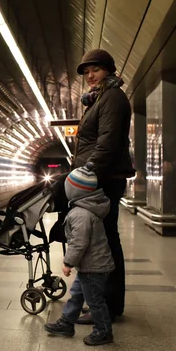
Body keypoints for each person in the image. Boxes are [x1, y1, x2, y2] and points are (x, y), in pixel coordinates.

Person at [70, 49, 136, 324]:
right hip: (101, 177)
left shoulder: (112, 98)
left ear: (109, 70)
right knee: (105, 239)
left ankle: (108, 305)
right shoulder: (99, 99)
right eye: (86, 72)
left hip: (104, 178)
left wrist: (86, 172)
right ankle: (106, 302)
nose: (90, 76)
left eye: (95, 70)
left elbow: (107, 142)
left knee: (106, 241)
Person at [44, 166, 115, 346]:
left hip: (94, 267)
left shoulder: (81, 214)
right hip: (90, 265)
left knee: (95, 302)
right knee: (76, 294)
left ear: (73, 191)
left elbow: (79, 242)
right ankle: (67, 323)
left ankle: (103, 331)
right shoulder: (83, 209)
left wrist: (68, 262)